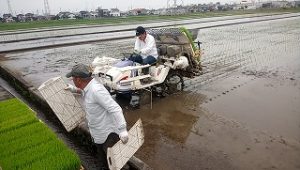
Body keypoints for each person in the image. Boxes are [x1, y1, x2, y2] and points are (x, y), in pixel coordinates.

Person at [65, 64, 129, 170]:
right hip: (98, 134)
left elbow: (115, 109)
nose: (72, 81)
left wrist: (123, 130)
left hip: (109, 135)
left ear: (78, 80)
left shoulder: (96, 91)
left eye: (73, 79)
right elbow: (84, 93)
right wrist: (74, 89)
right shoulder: (88, 87)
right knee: (104, 163)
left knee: (118, 165)